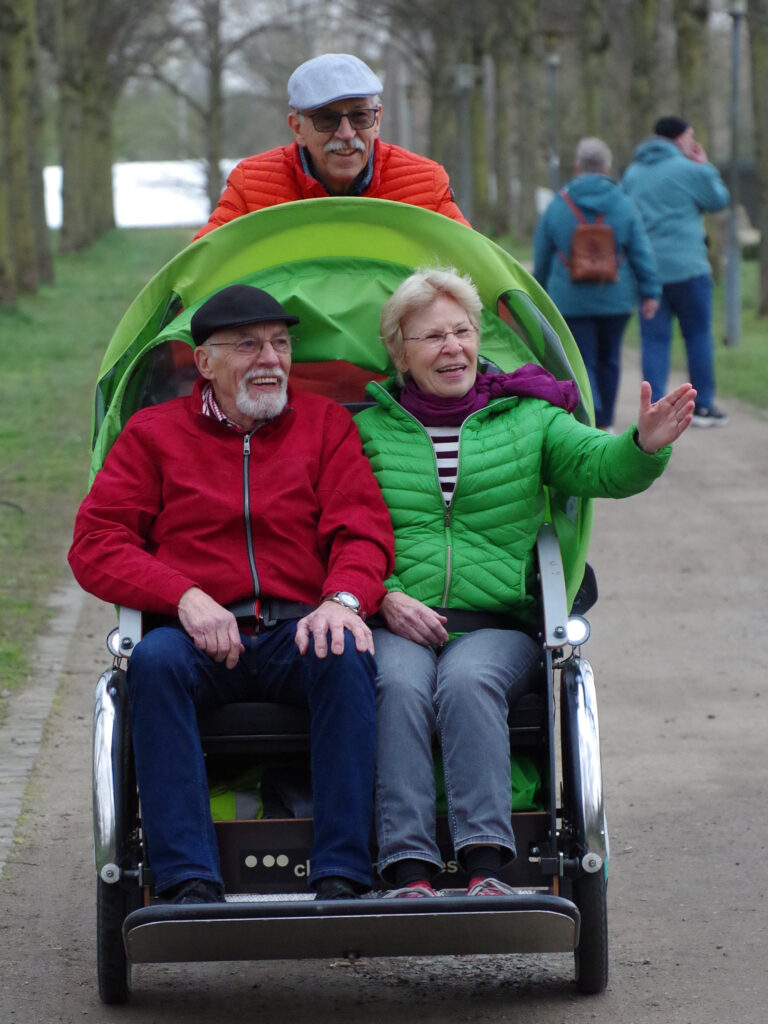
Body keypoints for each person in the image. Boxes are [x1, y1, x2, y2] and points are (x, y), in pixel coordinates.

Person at [354, 267, 695, 898]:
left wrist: (643, 445)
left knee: (467, 681)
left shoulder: (529, 416)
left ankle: (487, 864)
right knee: (396, 684)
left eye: (462, 331)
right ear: (400, 353)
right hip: (394, 616)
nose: (453, 347)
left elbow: (599, 465)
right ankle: (407, 868)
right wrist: (384, 595)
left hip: (496, 623)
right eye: (433, 337)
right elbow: (345, 528)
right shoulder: (366, 430)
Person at [69, 284, 395, 903]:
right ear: (204, 362)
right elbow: (95, 543)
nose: (269, 359)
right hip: (195, 637)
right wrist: (184, 596)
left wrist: (342, 600)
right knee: (152, 663)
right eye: (247, 345)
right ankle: (187, 881)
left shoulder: (325, 425)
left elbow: (362, 531)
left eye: (280, 344)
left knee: (346, 652)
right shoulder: (152, 433)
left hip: (299, 627)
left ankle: (343, 875)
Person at [193, 52, 469, 239]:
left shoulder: (426, 184)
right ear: (297, 128)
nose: (346, 134)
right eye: (327, 119)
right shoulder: (250, 187)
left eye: (360, 116)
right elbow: (196, 277)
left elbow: (478, 274)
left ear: (377, 120)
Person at [534, 136, 661, 430]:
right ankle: (606, 423)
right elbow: (641, 251)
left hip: (570, 300)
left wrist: (536, 292)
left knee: (582, 361)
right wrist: (650, 292)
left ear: (577, 167)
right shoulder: (624, 203)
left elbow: (541, 256)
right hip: (616, 300)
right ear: (607, 167)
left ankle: (589, 419)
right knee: (610, 360)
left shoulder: (558, 205)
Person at [622, 116, 730, 426]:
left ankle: (655, 409)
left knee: (654, 342)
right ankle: (703, 405)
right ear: (680, 139)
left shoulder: (632, 174)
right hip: (689, 270)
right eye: (690, 136)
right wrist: (704, 165)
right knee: (697, 335)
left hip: (648, 274)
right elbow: (719, 199)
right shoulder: (690, 170)